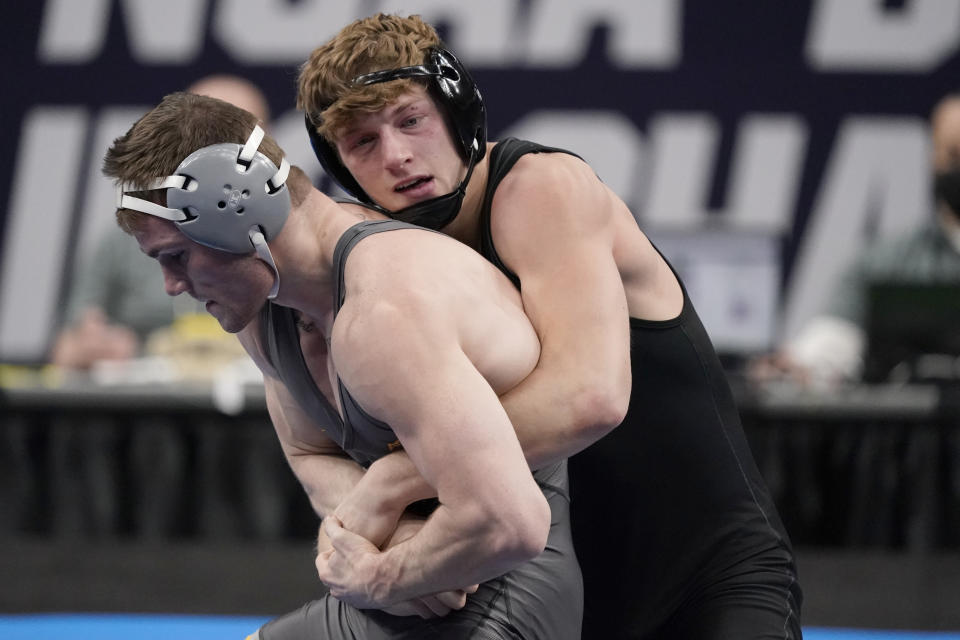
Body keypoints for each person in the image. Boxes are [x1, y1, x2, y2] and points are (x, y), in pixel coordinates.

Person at [297, 13, 803, 639]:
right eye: (363, 142)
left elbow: (589, 399)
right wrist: (383, 534)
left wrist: (392, 484)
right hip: (567, 601)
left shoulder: (541, 189)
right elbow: (311, 437)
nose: (397, 155)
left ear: (456, 114)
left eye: (410, 120)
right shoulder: (379, 256)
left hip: (709, 579)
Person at [104, 92, 582, 638]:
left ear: (237, 214)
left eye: (175, 255)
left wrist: (378, 576)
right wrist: (384, 534)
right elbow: (311, 453)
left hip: (504, 595)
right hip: (420, 585)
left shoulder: (386, 308)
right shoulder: (263, 303)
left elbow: (511, 525)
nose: (172, 285)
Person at [51, 74, 272, 369]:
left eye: (232, 143)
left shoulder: (283, 236)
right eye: (203, 139)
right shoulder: (132, 237)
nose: (217, 158)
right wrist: (94, 348)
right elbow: (66, 351)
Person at [750, 92, 960, 387]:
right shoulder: (888, 260)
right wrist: (798, 365)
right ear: (932, 157)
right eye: (953, 154)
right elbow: (835, 337)